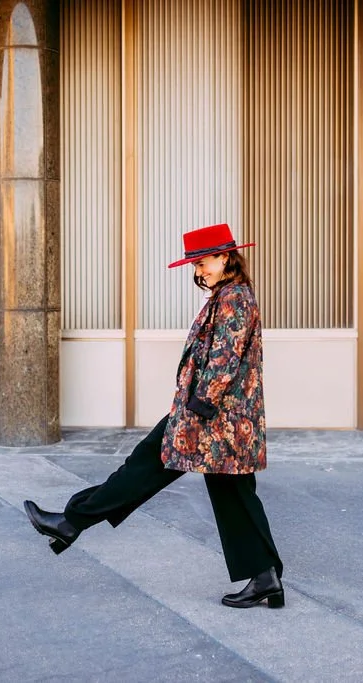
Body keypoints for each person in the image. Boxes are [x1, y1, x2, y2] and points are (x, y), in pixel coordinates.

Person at [24, 223, 284, 609]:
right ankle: (265, 578)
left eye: (203, 262)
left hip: (211, 418)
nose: (198, 270)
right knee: (234, 495)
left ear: (226, 257)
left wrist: (198, 408)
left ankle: (70, 522)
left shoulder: (233, 298)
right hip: (221, 420)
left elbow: (224, 358)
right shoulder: (230, 294)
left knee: (144, 467)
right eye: (195, 264)